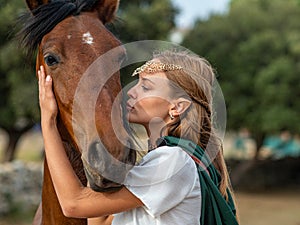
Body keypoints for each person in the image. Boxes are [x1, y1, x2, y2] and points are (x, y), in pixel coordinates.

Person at [38, 50, 239, 225]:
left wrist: (48, 121)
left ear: (176, 107)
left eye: (146, 87)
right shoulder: (162, 162)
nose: (131, 92)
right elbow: (100, 221)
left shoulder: (173, 162)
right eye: (137, 82)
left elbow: (73, 204)